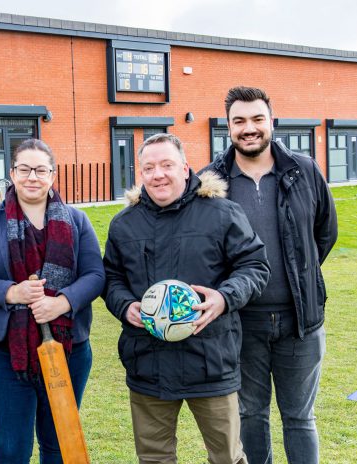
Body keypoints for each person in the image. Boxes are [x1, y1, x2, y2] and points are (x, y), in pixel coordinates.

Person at [102, 133, 270, 464]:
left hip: (210, 360)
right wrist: (124, 305)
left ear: (185, 168)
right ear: (140, 174)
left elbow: (254, 266)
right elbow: (111, 278)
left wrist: (224, 298)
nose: (158, 174)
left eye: (167, 165)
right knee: (154, 458)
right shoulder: (124, 225)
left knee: (227, 457)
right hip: (147, 363)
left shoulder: (222, 213)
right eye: (148, 168)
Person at [202, 86, 338, 464]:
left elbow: (325, 233)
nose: (249, 128)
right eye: (239, 121)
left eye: (257, 119)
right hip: (240, 323)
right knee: (250, 415)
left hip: (301, 320)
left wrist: (299, 276)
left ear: (271, 122)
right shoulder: (210, 182)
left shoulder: (304, 170)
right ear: (227, 127)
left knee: (300, 418)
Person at [0, 138, 105, 464]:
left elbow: (95, 275)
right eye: (24, 169)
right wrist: (13, 293)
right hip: (6, 355)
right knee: (11, 451)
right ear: (12, 173)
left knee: (58, 446)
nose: (32, 177)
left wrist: (62, 303)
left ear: (53, 175)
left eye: (41, 170)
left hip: (69, 352)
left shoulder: (77, 221)